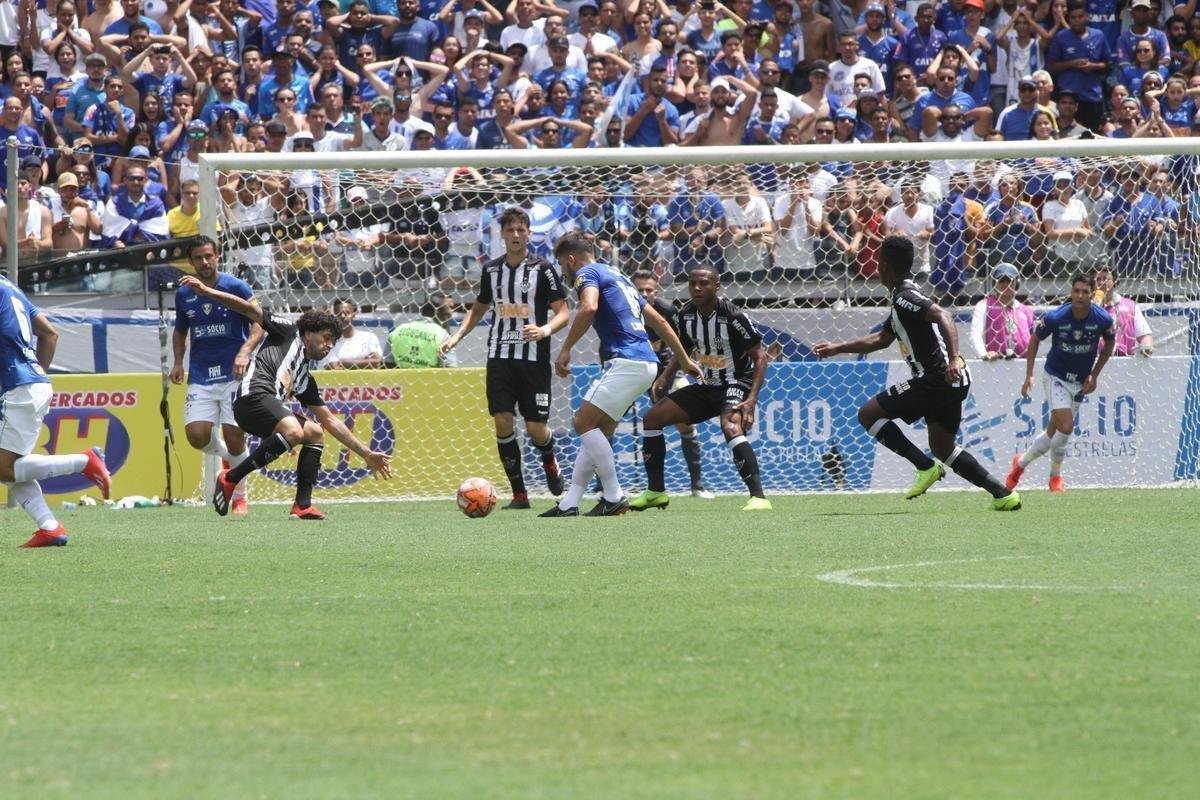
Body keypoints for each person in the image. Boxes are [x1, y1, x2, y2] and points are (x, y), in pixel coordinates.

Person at [814, 235, 1022, 511]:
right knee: (943, 447)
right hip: (953, 381)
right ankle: (1002, 494)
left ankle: (924, 467)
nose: (876, 269)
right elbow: (882, 340)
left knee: (867, 414)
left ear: (885, 266)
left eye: (878, 264)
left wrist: (954, 360)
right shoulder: (904, 297)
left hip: (937, 379)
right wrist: (838, 347)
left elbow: (943, 316)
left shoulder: (905, 298)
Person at [179, 275, 392, 520]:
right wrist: (207, 292)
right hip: (251, 397)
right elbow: (249, 308)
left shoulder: (304, 379)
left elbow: (330, 420)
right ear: (309, 332)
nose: (328, 346)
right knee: (294, 430)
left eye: (333, 343)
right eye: (326, 338)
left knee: (315, 433)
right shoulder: (288, 331)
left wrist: (366, 454)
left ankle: (302, 505)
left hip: (265, 408)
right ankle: (231, 477)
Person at [540, 232, 700, 517]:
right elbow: (659, 320)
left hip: (626, 361)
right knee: (599, 429)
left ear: (572, 259)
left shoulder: (585, 273)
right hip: (647, 364)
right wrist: (684, 360)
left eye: (563, 263)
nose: (563, 270)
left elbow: (589, 307)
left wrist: (565, 349)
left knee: (582, 421)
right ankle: (570, 503)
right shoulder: (620, 277)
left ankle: (614, 496)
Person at [438, 207, 569, 509]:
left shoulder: (543, 269)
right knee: (503, 421)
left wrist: (545, 329)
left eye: (521, 230)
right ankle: (519, 494)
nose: (515, 235)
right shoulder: (492, 270)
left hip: (534, 358)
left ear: (529, 233)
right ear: (501, 234)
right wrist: (456, 337)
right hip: (500, 356)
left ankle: (550, 461)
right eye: (510, 230)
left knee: (536, 429)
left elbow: (563, 311)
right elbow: (479, 308)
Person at [629, 266, 770, 513]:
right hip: (706, 385)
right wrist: (665, 376)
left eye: (703, 283)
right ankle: (655, 492)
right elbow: (683, 349)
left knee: (731, 426)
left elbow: (760, 357)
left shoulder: (733, 316)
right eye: (692, 283)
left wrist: (752, 399)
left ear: (716, 286)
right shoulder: (686, 315)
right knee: (652, 419)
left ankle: (758, 497)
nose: (696, 288)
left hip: (735, 382)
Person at [0, 275, 111, 548]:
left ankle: (85, 461)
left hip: (17, 386)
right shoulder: (10, 287)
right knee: (10, 468)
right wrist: (34, 375)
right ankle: (50, 528)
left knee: (4, 467)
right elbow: (50, 334)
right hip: (27, 383)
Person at [170, 237, 263, 516]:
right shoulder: (184, 293)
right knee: (196, 436)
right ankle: (228, 459)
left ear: (218, 256)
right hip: (200, 374)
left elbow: (260, 322)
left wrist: (245, 351)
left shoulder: (236, 287)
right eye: (199, 258)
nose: (205, 262)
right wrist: (177, 362)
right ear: (190, 261)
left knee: (235, 436)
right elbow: (180, 330)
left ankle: (240, 497)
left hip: (235, 374)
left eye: (209, 256)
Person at [1007, 274, 1116, 493]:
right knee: (1066, 426)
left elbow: (1110, 343)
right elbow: (1035, 338)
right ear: (1071, 292)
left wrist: (1094, 374)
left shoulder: (1102, 319)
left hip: (1079, 382)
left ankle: (1020, 464)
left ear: (1092, 294)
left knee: (1052, 434)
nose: (1080, 295)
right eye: (1076, 291)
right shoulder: (1056, 317)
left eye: (1085, 292)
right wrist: (1029, 374)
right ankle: (1055, 477)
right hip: (1055, 377)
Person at [630, 270, 712, 499]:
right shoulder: (622, 310)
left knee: (685, 422)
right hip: (633, 369)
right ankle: (601, 487)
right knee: (606, 418)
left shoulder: (668, 311)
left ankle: (697, 486)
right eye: (640, 290)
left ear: (656, 291)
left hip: (667, 370)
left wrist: (668, 373)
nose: (645, 294)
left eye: (649, 290)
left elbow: (683, 344)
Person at [969, 262, 1035, 360]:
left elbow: (1033, 340)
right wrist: (983, 354)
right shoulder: (985, 305)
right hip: (996, 363)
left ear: (1017, 283)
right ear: (994, 284)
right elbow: (975, 334)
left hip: (1024, 363)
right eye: (1001, 280)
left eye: (1009, 280)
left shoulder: (1027, 310)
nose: (1005, 284)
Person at [1092, 265, 1154, 357]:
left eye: (1106, 279)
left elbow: (1144, 336)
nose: (1101, 282)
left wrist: (1146, 346)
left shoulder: (1130, 306)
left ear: (1115, 282)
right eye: (1097, 279)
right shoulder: (1085, 307)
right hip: (1093, 363)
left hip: (1124, 364)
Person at [388, 292, 456, 368]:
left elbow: (386, 364)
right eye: (450, 308)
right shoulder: (442, 336)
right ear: (438, 311)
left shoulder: (397, 331)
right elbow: (450, 368)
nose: (452, 312)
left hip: (401, 379)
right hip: (431, 379)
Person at [318, 299, 384, 369]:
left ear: (353, 315)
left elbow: (377, 362)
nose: (343, 316)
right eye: (339, 314)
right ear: (334, 317)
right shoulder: (330, 341)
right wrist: (365, 361)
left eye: (347, 313)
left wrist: (344, 363)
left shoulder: (368, 337)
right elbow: (334, 367)